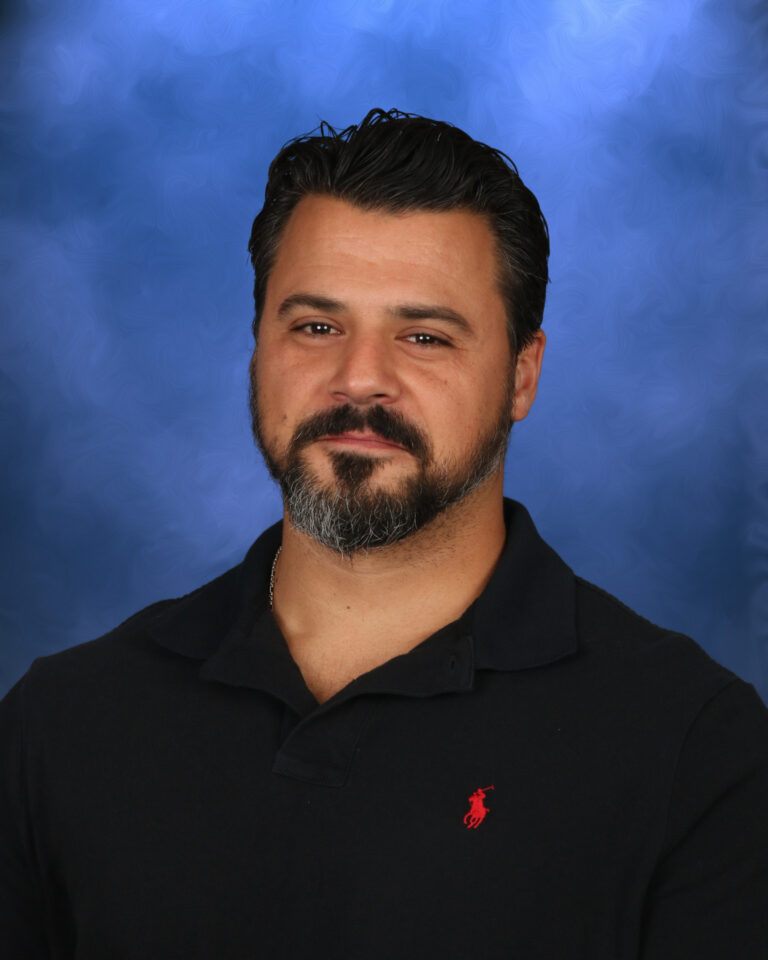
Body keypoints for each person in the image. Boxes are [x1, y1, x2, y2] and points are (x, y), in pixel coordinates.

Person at [1, 108, 767, 958]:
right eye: (316, 327)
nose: (360, 378)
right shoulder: (63, 723)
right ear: (257, 350)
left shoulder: (692, 746)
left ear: (523, 375)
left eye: (424, 336)